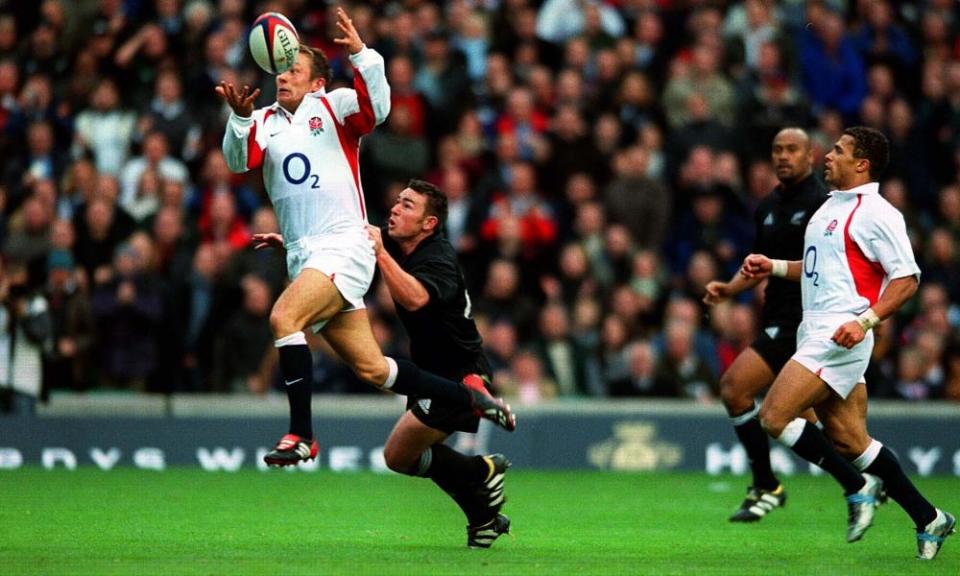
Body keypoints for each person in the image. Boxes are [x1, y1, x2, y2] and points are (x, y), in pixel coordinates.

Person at [217, 8, 515, 467]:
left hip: (345, 246)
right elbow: (239, 162)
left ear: (317, 82)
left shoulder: (332, 108)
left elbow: (378, 108)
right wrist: (238, 118)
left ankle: (301, 434)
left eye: (295, 69)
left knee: (283, 319)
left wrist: (360, 54)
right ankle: (469, 395)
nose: (284, 76)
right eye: (282, 68)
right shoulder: (262, 122)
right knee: (373, 368)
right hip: (306, 254)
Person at [741, 127, 955, 559]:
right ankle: (930, 517)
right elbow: (820, 268)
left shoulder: (878, 212)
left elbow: (907, 278)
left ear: (862, 164)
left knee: (774, 415)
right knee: (851, 441)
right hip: (815, 327)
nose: (828, 156)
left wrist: (866, 321)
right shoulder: (829, 208)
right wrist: (776, 267)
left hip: (841, 332)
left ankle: (857, 488)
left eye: (839, 151)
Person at [370, 179, 510, 548]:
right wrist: (290, 244)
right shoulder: (400, 242)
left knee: (398, 455)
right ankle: (483, 518)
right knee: (408, 456)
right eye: (398, 201)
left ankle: (481, 470)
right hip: (430, 373)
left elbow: (416, 298)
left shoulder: (439, 258)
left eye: (408, 205)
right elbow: (349, 232)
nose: (396, 209)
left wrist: (381, 255)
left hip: (459, 376)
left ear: (429, 224)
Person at [703, 127, 829, 522]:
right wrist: (729, 288)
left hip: (803, 319)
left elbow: (822, 267)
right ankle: (868, 482)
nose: (783, 156)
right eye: (777, 150)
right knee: (828, 429)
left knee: (734, 388)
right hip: (776, 316)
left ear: (810, 156)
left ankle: (766, 485)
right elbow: (761, 263)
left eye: (792, 149)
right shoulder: (769, 206)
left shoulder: (821, 205)